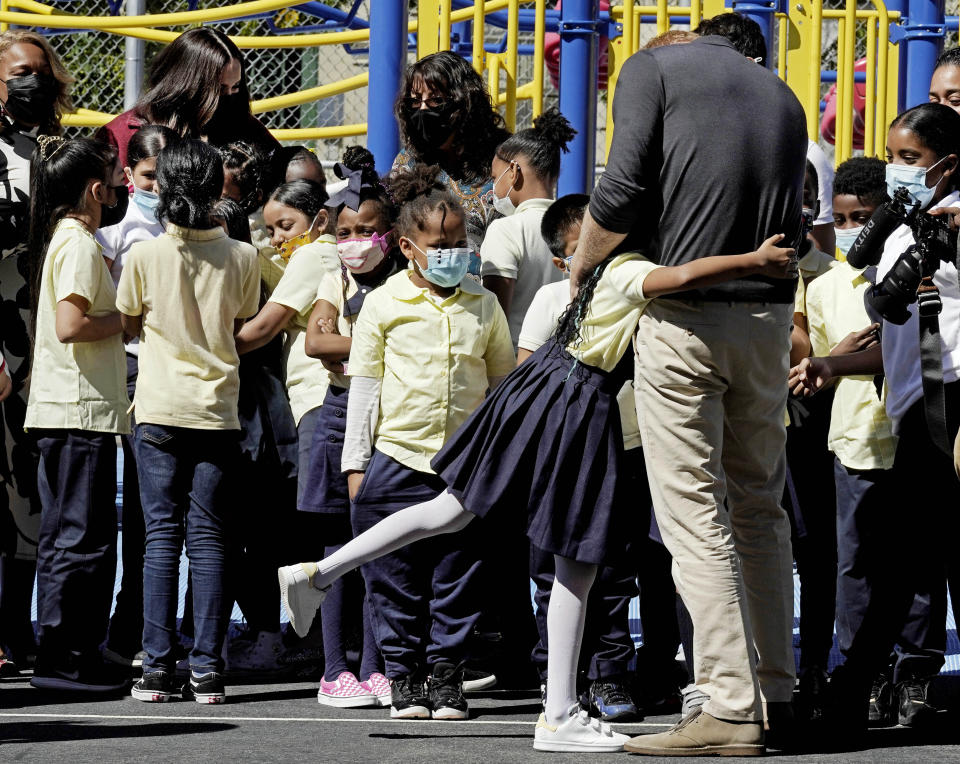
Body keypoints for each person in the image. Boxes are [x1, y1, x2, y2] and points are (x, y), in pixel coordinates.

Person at [278, 209, 794, 748]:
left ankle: (319, 574)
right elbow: (682, 277)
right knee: (572, 559)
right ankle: (559, 714)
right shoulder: (622, 268)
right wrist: (753, 261)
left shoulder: (597, 272)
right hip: (574, 399)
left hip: (551, 390)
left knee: (460, 516)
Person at [570, 19, 807, 754]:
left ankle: (729, 705)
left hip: (685, 319)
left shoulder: (653, 70)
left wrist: (583, 265)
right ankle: (775, 690)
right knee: (761, 508)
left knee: (693, 514)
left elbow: (622, 188)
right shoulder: (781, 92)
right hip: (766, 321)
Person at [282, 163, 516, 722]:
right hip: (396, 458)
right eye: (441, 245)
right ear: (409, 247)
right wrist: (356, 466)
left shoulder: (482, 305)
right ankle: (404, 676)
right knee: (393, 578)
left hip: (462, 466)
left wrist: (496, 459)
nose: (453, 254)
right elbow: (363, 390)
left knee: (458, 576)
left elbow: (501, 386)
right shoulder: (382, 306)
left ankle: (445, 677)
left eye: (460, 244)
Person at [790, 103, 960, 733]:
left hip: (956, 405)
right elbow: (884, 323)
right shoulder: (897, 232)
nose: (899, 171)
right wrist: (835, 367)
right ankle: (855, 685)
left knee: (916, 561)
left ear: (949, 164)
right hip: (914, 409)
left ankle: (857, 686)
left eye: (910, 160)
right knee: (895, 560)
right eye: (894, 157)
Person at [119, 139, 260, 704]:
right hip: (217, 408)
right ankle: (208, 667)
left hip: (157, 405)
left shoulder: (146, 255)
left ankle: (156, 667)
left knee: (159, 539)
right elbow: (242, 321)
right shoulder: (242, 256)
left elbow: (128, 323)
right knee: (209, 541)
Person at [25, 136, 130, 692]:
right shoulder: (80, 245)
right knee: (81, 539)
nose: (118, 189)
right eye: (112, 180)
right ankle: (67, 657)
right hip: (78, 410)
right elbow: (72, 324)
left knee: (68, 536)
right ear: (94, 189)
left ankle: (62, 651)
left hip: (68, 408)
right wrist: (128, 320)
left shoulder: (67, 241)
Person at [300, 146, 403, 707]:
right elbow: (317, 341)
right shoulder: (333, 283)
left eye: (366, 230)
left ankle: (380, 663)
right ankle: (334, 667)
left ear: (390, 235)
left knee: (382, 546)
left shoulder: (405, 285)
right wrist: (377, 348)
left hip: (392, 421)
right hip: (340, 416)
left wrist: (355, 348)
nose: (355, 241)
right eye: (344, 231)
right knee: (339, 545)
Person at [0, 29, 73, 676]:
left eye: (41, 73)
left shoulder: (61, 152)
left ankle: (22, 627)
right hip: (1, 337)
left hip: (50, 336)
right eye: (20, 71)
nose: (32, 83)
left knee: (33, 490)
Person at [95, 124, 180, 670]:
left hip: (180, 373)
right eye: (151, 176)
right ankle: (131, 630)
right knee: (146, 515)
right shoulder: (115, 237)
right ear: (130, 176)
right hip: (135, 373)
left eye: (168, 176)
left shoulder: (194, 227)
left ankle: (161, 633)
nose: (160, 186)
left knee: (175, 515)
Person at [234, 180, 339, 510]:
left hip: (315, 396)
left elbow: (265, 327)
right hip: (320, 394)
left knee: (315, 506)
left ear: (320, 221)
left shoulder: (312, 254)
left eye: (286, 225)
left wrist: (205, 352)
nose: (277, 238)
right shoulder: (330, 252)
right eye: (270, 229)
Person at [95, 27, 279, 168]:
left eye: (236, 86)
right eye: (220, 89)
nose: (229, 96)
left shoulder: (241, 124)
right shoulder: (123, 133)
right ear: (186, 85)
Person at [393, 51, 510, 251]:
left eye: (436, 100)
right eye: (415, 101)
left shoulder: (504, 157)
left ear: (463, 101)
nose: (422, 110)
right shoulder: (408, 159)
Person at [480, 108, 574, 346]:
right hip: (564, 365)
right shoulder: (577, 228)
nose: (493, 187)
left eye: (494, 176)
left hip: (516, 366)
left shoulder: (506, 230)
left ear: (513, 172)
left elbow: (495, 317)